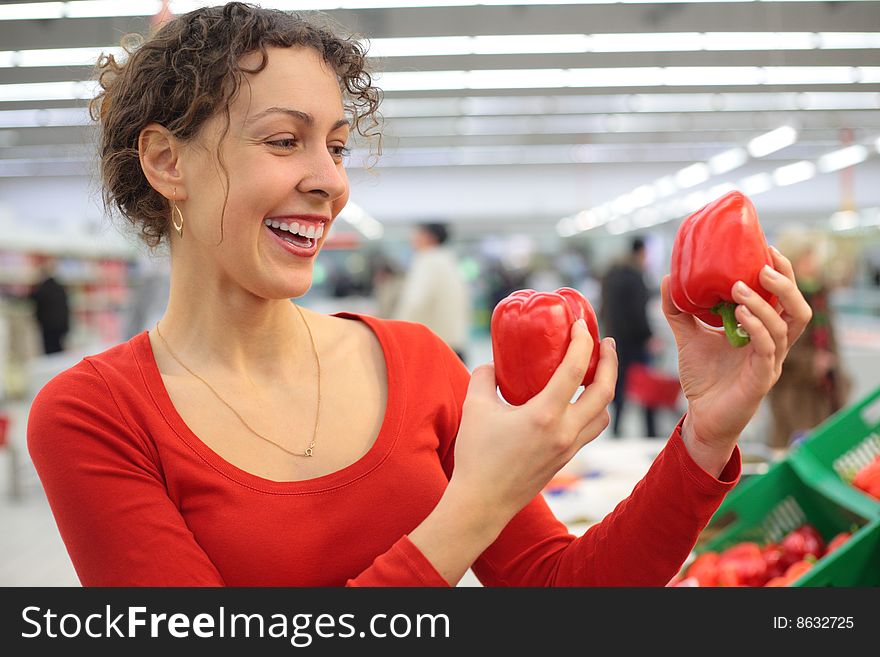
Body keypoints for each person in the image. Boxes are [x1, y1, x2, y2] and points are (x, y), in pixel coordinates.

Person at [26, 3, 812, 587]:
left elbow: (562, 592)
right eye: (283, 140)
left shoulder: (414, 365)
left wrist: (706, 434)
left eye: (336, 146)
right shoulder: (95, 416)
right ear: (167, 162)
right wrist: (473, 505)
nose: (329, 180)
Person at [768, 236, 851, 451]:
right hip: (794, 395)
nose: (812, 262)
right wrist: (811, 362)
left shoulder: (819, 295)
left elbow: (829, 342)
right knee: (796, 452)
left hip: (825, 391)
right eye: (806, 257)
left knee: (827, 449)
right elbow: (773, 346)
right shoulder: (777, 299)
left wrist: (841, 377)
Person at [599, 237, 656, 437]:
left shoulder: (610, 275)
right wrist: (648, 336)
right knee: (645, 386)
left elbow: (603, 308)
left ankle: (616, 429)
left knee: (619, 384)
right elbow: (638, 311)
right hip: (635, 341)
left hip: (615, 339)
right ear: (641, 252)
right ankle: (650, 431)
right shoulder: (635, 276)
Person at [393, 222, 471, 363]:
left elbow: (416, 302)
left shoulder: (427, 261)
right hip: (453, 342)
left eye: (417, 234)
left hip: (433, 347)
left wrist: (397, 333)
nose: (412, 238)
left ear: (429, 237)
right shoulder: (449, 260)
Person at [29, 256, 71, 355]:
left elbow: (33, 298)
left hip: (49, 324)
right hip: (60, 323)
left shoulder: (44, 287)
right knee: (58, 347)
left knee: (50, 348)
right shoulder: (60, 287)